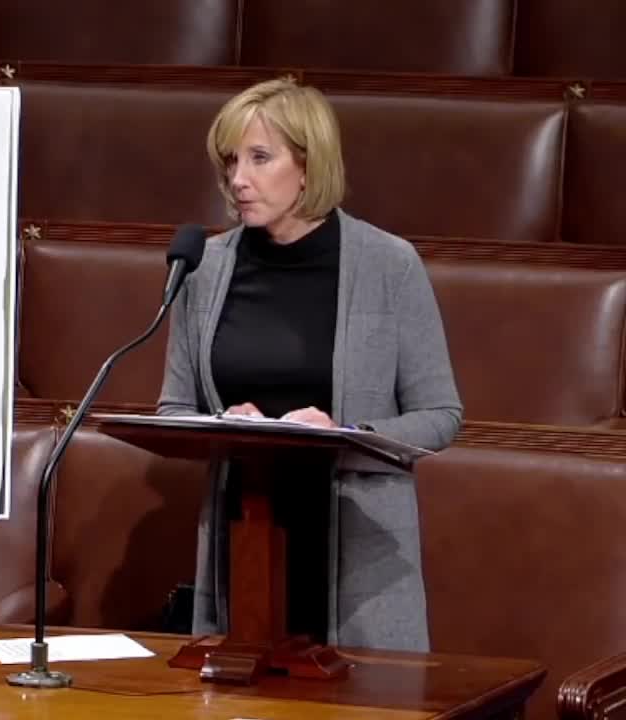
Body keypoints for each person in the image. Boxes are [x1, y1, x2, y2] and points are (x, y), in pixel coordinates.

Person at [157, 78, 462, 652]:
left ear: (308, 164)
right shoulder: (205, 267)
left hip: (354, 554)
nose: (237, 179)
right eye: (230, 161)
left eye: (259, 157)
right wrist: (227, 423)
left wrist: (346, 434)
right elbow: (174, 408)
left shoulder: (388, 266)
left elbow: (440, 415)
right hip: (242, 533)